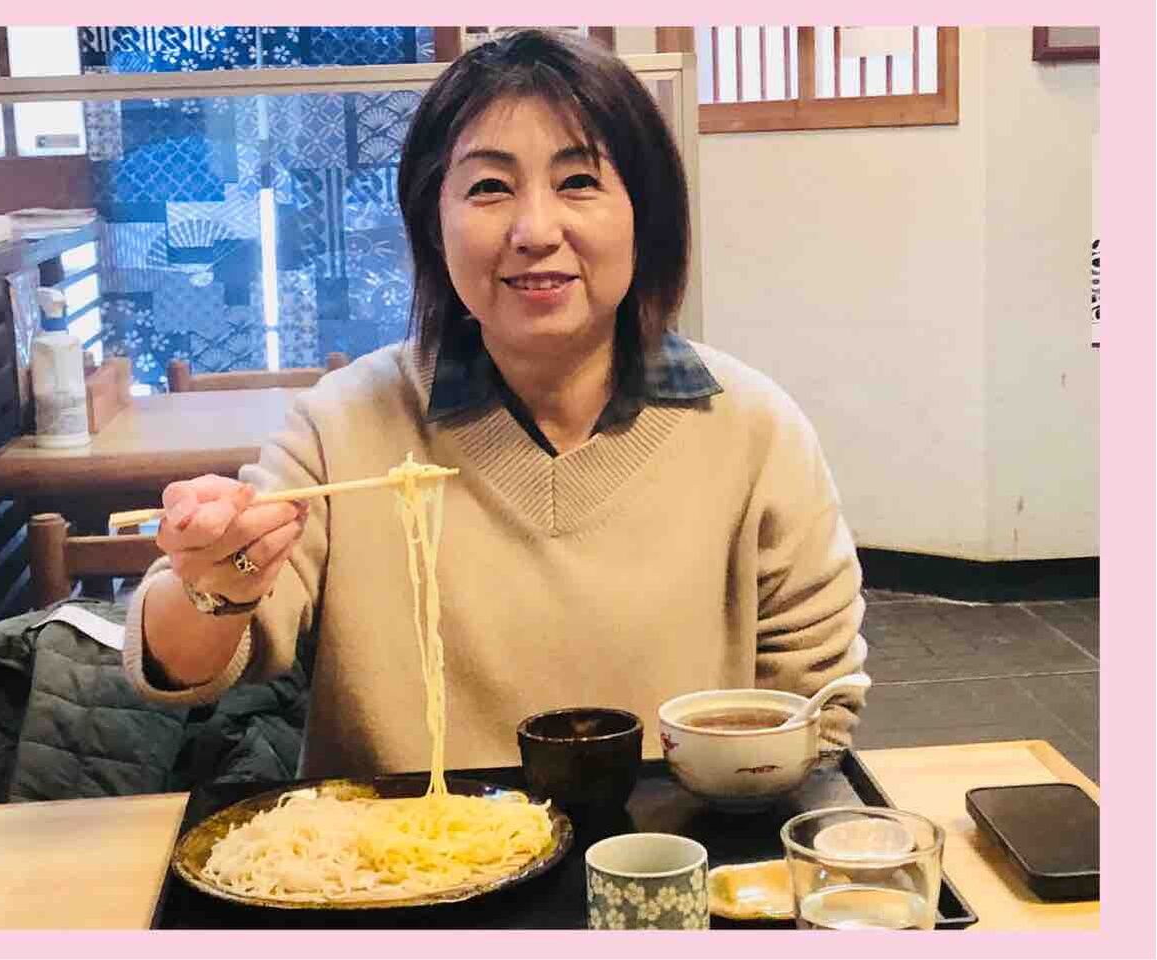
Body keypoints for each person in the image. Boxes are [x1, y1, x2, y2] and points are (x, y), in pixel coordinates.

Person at [123, 29, 868, 779]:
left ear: (645, 213)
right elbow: (184, 665)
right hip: (396, 849)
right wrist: (214, 582)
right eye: (489, 187)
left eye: (579, 181)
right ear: (432, 222)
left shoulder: (752, 429)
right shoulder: (342, 425)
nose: (535, 231)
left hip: (667, 843)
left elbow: (816, 707)